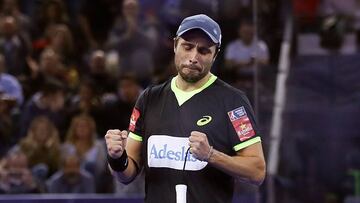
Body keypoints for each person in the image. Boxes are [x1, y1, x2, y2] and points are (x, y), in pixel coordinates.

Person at [105, 14, 266, 203]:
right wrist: (116, 158)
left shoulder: (233, 101)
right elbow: (127, 174)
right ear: (175, 45)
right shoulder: (149, 98)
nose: (193, 57)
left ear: (215, 55)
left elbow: (257, 171)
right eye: (187, 47)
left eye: (204, 51)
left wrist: (211, 155)